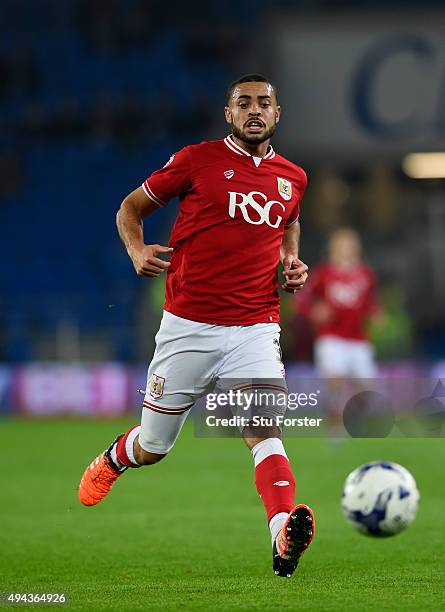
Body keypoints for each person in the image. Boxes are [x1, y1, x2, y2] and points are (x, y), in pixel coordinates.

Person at [78, 74, 315, 578]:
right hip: (188, 327)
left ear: (278, 114)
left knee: (264, 430)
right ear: (228, 115)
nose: (255, 110)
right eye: (244, 103)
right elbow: (131, 208)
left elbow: (290, 218)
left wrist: (291, 258)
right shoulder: (196, 160)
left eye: (264, 103)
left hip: (256, 326)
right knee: (155, 446)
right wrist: (136, 249)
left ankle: (281, 536)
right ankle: (115, 459)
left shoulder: (292, 176)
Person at [297, 228, 381, 432]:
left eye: (350, 244)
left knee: (366, 388)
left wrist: (377, 314)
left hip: (359, 338)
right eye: (342, 244)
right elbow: (302, 298)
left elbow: (370, 302)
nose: (347, 249)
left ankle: (352, 418)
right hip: (331, 337)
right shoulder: (323, 273)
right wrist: (315, 310)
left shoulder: (365, 274)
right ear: (333, 248)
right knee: (335, 380)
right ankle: (334, 426)